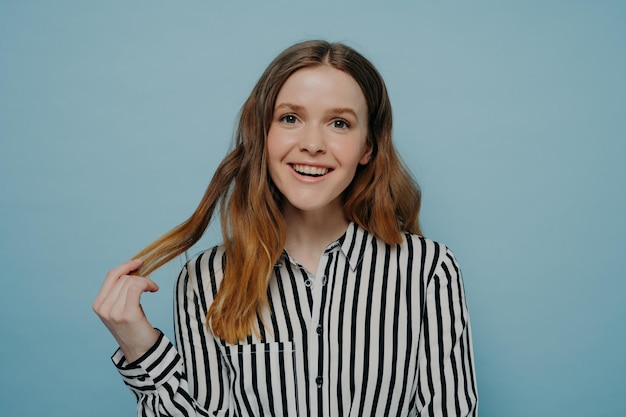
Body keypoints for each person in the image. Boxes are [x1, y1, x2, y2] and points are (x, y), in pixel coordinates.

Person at [93, 40, 478, 416]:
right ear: (263, 133)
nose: (312, 144)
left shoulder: (428, 271)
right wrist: (139, 347)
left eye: (340, 123)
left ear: (368, 147)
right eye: (290, 118)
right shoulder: (205, 280)